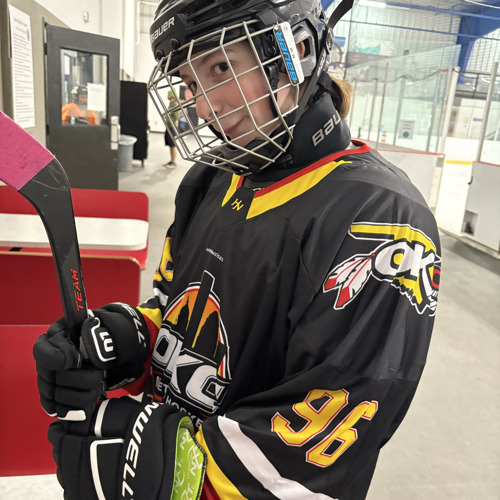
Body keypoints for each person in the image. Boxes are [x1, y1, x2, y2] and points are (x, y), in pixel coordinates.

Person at [33, 1, 442, 499]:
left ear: (297, 50)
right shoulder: (209, 179)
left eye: (221, 68)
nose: (204, 107)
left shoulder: (382, 219)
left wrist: (174, 472)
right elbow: (175, 306)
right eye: (190, 83)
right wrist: (128, 339)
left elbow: (332, 421)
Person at [164, 90, 180, 168]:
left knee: (173, 144)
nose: (167, 96)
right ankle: (171, 161)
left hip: (172, 127)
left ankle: (174, 162)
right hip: (169, 126)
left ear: (171, 95)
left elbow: (177, 116)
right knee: (170, 144)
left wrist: (170, 119)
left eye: (168, 94)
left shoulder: (175, 104)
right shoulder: (171, 103)